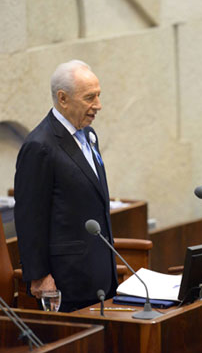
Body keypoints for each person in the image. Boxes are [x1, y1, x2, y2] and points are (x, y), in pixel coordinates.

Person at [14, 60, 117, 312]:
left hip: (100, 274)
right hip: (66, 282)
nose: (98, 106)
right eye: (90, 97)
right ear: (63, 99)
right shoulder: (40, 146)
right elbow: (29, 216)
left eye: (99, 96)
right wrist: (39, 276)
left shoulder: (89, 135)